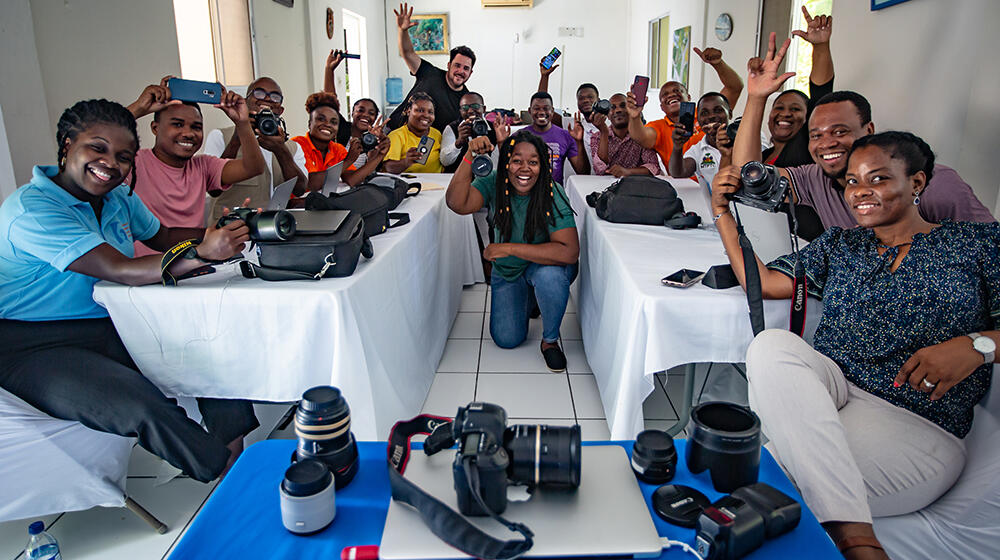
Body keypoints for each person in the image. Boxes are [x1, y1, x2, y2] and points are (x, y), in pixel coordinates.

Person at [710, 130, 1000, 559]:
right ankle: (856, 539)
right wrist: (721, 212)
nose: (860, 192)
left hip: (915, 420)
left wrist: (977, 346)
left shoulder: (976, 244)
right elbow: (768, 282)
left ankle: (845, 535)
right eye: (851, 181)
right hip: (833, 387)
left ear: (917, 183)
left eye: (878, 179)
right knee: (771, 344)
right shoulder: (842, 245)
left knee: (762, 484)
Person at [0, 99, 260, 483]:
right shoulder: (32, 210)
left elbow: (164, 236)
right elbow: (119, 269)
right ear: (68, 143)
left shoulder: (118, 197)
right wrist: (202, 252)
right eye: (98, 148)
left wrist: (216, 232)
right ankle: (225, 475)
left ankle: (235, 460)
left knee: (210, 356)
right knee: (140, 405)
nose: (111, 164)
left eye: (123, 156)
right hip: (33, 344)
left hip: (111, 321)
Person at [733, 33, 995, 232]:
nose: (827, 143)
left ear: (868, 130)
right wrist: (756, 98)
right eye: (816, 135)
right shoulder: (814, 179)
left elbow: (991, 248)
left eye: (840, 131)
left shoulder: (934, 183)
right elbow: (750, 174)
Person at [446, 131, 579, 372]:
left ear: (542, 166)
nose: (524, 169)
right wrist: (469, 155)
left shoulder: (552, 190)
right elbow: (458, 203)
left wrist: (506, 247)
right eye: (517, 160)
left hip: (544, 264)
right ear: (506, 162)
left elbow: (569, 252)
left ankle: (549, 341)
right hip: (509, 269)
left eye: (533, 162)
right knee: (507, 339)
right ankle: (531, 299)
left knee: (549, 278)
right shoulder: (493, 182)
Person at [127, 77, 266, 256]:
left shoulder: (203, 165)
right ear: (155, 128)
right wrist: (138, 107)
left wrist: (242, 122)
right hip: (146, 273)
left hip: (193, 266)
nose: (188, 133)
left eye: (196, 127)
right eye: (177, 124)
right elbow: (95, 139)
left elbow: (253, 167)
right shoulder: (133, 162)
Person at [203, 76, 307, 220]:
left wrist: (280, 150)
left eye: (275, 97)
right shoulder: (220, 136)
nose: (267, 99)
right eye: (258, 93)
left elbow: (300, 189)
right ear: (245, 102)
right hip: (229, 232)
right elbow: (213, 190)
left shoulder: (293, 147)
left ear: (280, 110)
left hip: (270, 231)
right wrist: (239, 134)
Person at [627, 47, 744, 169]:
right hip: (683, 183)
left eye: (677, 91)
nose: (671, 94)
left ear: (688, 97)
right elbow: (640, 137)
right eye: (665, 95)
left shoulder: (707, 114)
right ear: (661, 107)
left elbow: (734, 87)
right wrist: (634, 116)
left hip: (721, 177)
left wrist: (718, 64)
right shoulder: (659, 127)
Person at [761, 6, 835, 169]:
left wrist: (821, 47)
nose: (785, 114)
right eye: (779, 108)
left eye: (795, 109)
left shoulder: (804, 147)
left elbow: (821, 94)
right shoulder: (763, 155)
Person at [387, 3, 474, 131]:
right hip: (393, 131)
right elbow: (408, 53)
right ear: (449, 65)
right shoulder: (429, 73)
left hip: (425, 146)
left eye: (466, 68)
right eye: (457, 65)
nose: (460, 71)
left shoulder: (465, 101)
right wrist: (403, 31)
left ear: (471, 73)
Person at [290, 92, 364, 192]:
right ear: (309, 124)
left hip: (326, 204)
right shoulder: (297, 144)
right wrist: (348, 161)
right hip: (298, 206)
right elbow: (310, 184)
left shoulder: (337, 149)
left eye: (333, 122)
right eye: (321, 119)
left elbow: (352, 180)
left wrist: (378, 154)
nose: (327, 125)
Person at [667, 92, 734, 188]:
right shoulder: (697, 150)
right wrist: (677, 146)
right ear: (698, 119)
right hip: (717, 202)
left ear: (730, 114)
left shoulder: (747, 136)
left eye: (718, 110)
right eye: (704, 113)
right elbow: (678, 172)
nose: (711, 116)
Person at [524, 92, 589, 184]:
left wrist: (579, 142)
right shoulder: (520, 136)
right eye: (537, 108)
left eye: (546, 108)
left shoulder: (565, 136)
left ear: (552, 111)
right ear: (530, 111)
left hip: (554, 194)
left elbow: (583, 172)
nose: (541, 112)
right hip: (525, 193)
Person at [590, 93, 660, 177]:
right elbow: (599, 169)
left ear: (631, 110)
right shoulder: (597, 136)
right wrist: (604, 133)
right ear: (607, 115)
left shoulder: (641, 135)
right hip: (607, 188)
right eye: (613, 107)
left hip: (638, 186)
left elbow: (654, 167)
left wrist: (627, 172)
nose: (618, 110)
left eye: (623, 106)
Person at [385, 92, 444, 174]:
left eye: (430, 112)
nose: (426, 115)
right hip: (407, 184)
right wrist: (406, 162)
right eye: (420, 110)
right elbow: (388, 167)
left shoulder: (437, 134)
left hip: (437, 184)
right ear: (408, 111)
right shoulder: (396, 136)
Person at [440, 92, 499, 173]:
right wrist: (458, 142)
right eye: (465, 107)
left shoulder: (494, 128)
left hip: (486, 180)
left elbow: (499, 165)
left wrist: (501, 142)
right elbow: (444, 161)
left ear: (484, 109)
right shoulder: (452, 128)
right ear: (460, 111)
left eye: (475, 106)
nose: (470, 111)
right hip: (458, 178)